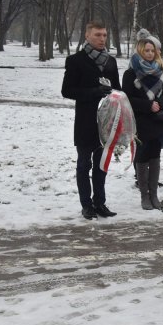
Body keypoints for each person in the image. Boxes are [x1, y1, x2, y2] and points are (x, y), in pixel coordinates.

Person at [62, 21, 120, 220]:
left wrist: (115, 96)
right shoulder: (76, 60)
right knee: (84, 164)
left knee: (101, 165)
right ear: (87, 36)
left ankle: (100, 203)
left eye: (104, 35)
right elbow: (67, 91)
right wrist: (94, 92)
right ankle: (86, 205)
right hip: (86, 121)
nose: (102, 39)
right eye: (97, 35)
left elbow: (118, 89)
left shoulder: (110, 62)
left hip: (106, 122)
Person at [122, 37, 163, 210]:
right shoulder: (131, 73)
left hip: (158, 120)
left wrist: (161, 104)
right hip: (140, 120)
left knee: (155, 155)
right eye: (146, 50)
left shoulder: (161, 71)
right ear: (140, 51)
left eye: (153, 50)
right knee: (143, 156)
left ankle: (154, 195)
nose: (150, 53)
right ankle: (144, 196)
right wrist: (147, 105)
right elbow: (127, 98)